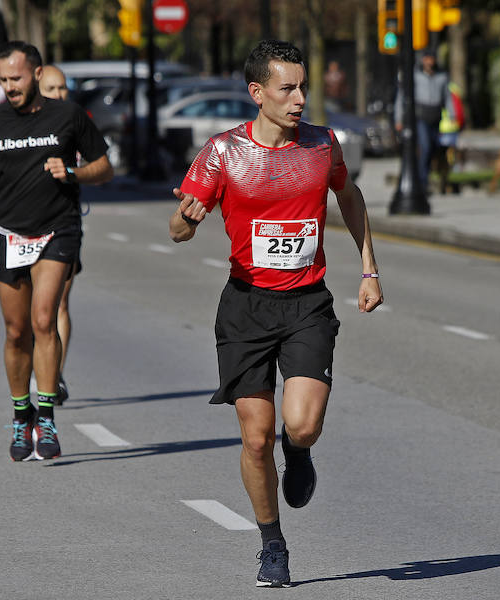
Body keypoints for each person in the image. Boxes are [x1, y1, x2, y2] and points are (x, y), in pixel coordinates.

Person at [169, 39, 382, 588]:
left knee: (302, 425)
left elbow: (349, 197)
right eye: (287, 89)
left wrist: (369, 269)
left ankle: (301, 449)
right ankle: (272, 545)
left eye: (303, 87)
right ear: (257, 93)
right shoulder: (222, 152)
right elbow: (179, 226)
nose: (300, 99)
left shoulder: (321, 145)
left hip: (307, 303)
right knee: (255, 437)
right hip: (246, 306)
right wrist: (187, 220)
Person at [0, 41, 113, 462]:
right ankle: (20, 417)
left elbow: (104, 167)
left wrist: (73, 170)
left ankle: (46, 418)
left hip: (58, 229)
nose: (10, 87)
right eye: (3, 79)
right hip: (9, 234)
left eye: (17, 78)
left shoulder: (69, 116)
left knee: (45, 318)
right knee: (16, 330)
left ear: (37, 74)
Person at [38, 64, 77, 403]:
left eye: (63, 88)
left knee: (59, 303)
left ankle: (56, 375)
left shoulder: (73, 124)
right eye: (52, 88)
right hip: (23, 228)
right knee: (34, 311)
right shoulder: (19, 124)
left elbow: (98, 165)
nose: (59, 94)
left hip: (64, 224)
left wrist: (73, 170)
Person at [394, 49, 451, 193]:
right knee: (424, 146)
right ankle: (422, 181)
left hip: (435, 116)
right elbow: (402, 96)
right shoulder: (415, 76)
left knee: (433, 147)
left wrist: (453, 115)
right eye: (427, 59)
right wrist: (399, 117)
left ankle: (426, 176)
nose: (429, 62)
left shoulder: (442, 76)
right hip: (420, 116)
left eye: (431, 59)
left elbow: (447, 97)